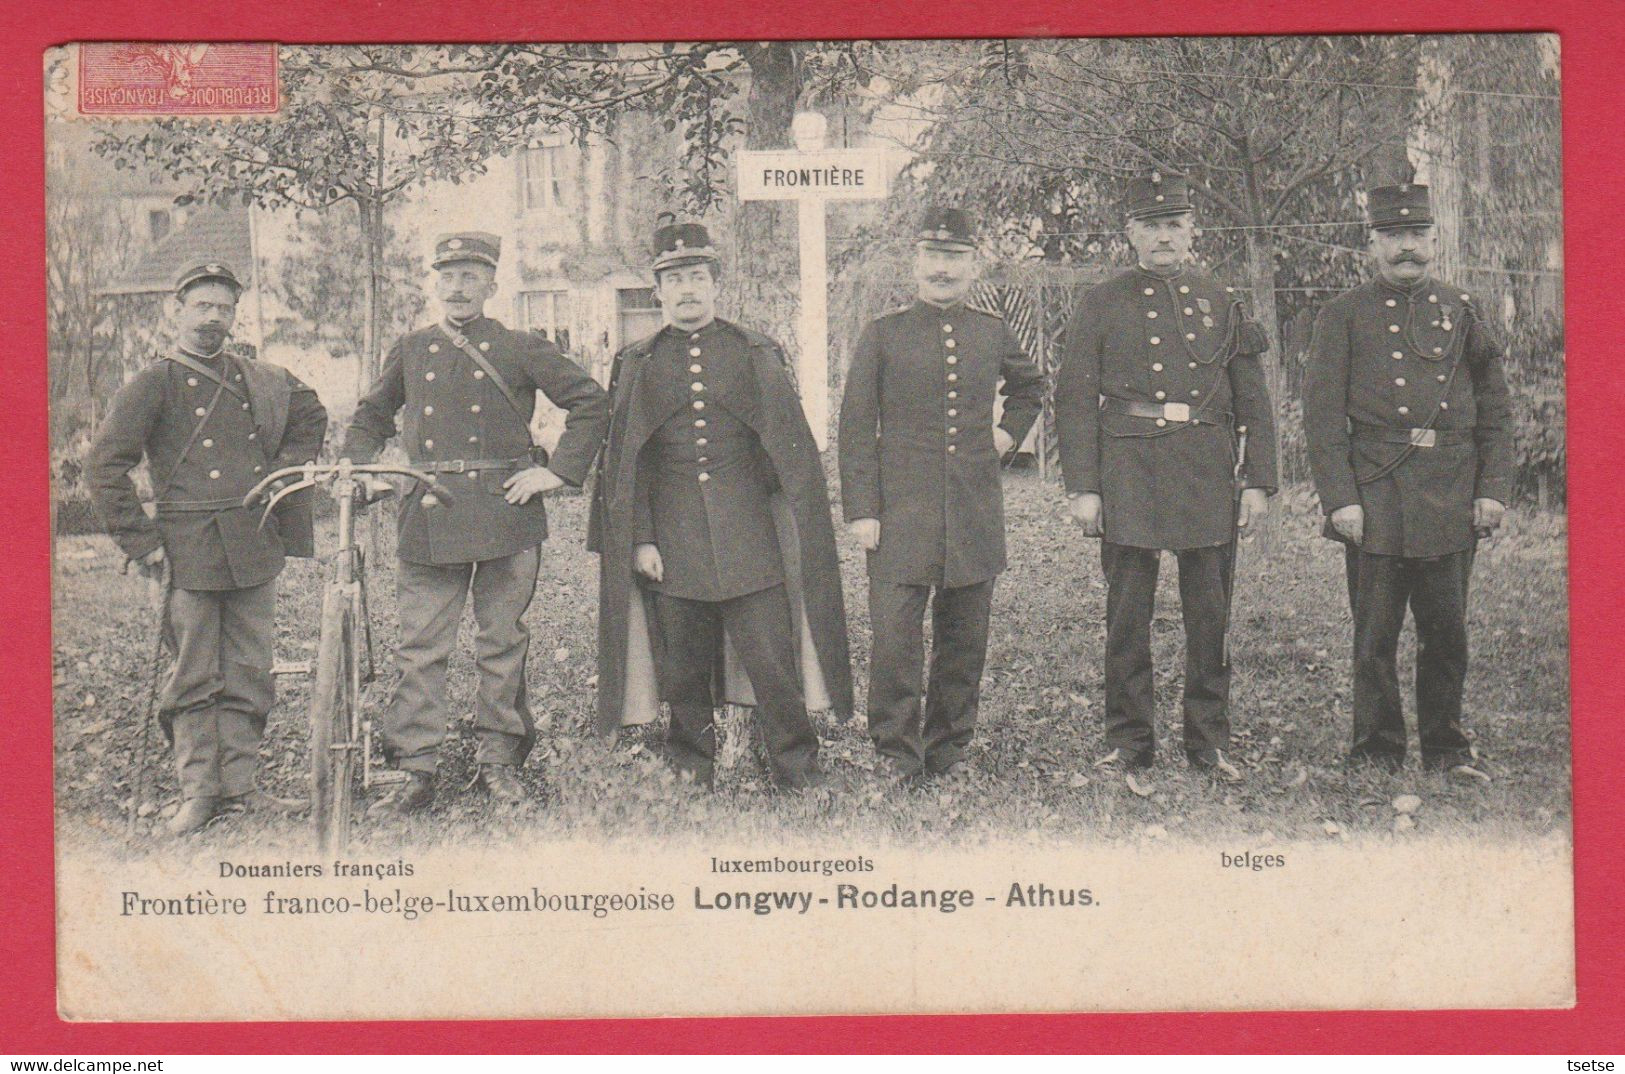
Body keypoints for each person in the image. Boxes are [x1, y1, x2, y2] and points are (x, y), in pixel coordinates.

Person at [343, 232, 609, 812]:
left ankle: (500, 761)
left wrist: (559, 474)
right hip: (429, 510)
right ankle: (416, 768)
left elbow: (591, 401)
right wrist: (364, 469)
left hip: (504, 512)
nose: (458, 287)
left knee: (502, 642)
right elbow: (370, 416)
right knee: (419, 646)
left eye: (471, 276)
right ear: (435, 284)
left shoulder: (519, 346)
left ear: (491, 285)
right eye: (448, 275)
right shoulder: (412, 350)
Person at [589, 219, 852, 791]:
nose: (687, 290)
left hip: (751, 536)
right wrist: (640, 537)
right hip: (673, 541)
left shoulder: (754, 351)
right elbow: (627, 464)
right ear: (658, 291)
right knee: (682, 668)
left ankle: (798, 771)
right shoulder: (637, 364)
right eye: (675, 279)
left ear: (715, 284)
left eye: (698, 277)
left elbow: (786, 451)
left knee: (773, 663)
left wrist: (781, 523)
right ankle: (690, 769)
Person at [88, 261, 328, 835]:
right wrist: (141, 541)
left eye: (223, 307)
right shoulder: (154, 381)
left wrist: (284, 470)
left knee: (249, 667)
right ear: (177, 310)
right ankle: (199, 792)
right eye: (202, 306)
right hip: (187, 545)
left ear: (234, 314)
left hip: (252, 538)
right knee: (194, 672)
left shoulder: (258, 376)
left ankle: (241, 786)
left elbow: (312, 413)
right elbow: (103, 466)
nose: (213, 317)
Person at [1054, 172, 1278, 783]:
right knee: (1127, 616)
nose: (1163, 237)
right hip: (1128, 467)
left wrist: (1257, 479)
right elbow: (1074, 399)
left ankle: (1209, 742)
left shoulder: (1220, 298)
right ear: (1131, 234)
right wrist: (1084, 487)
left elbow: (1252, 398)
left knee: (1211, 615)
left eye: (1173, 225)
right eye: (1150, 226)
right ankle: (1129, 742)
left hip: (1206, 471)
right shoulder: (1101, 302)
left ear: (1192, 231)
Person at [1302, 183, 1513, 780]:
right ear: (1371, 243)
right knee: (1374, 636)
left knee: (1446, 633)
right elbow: (1321, 419)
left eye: (1417, 236)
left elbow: (1496, 410)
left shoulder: (1464, 310)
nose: (1407, 249)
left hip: (1449, 493)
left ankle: (1447, 749)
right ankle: (1376, 750)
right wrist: (1340, 499)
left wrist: (1492, 488)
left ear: (1434, 239)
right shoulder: (1342, 316)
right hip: (1377, 496)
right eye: (1393, 237)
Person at [837, 207, 1044, 785]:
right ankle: (896, 752)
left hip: (973, 510)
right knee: (896, 638)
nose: (942, 271)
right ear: (915, 263)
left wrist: (1005, 436)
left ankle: (949, 748)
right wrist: (862, 510)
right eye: (933, 258)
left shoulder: (990, 331)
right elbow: (855, 426)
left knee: (964, 638)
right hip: (900, 512)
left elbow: (1031, 387)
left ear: (973, 266)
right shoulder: (884, 334)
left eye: (955, 259)